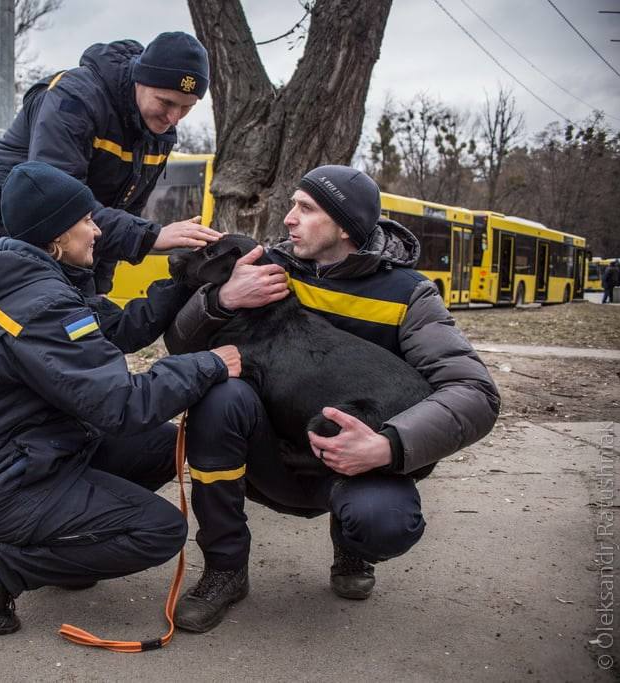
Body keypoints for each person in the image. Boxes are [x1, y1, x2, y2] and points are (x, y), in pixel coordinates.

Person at [164, 165, 501, 633]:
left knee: (385, 522)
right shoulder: (267, 267)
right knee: (217, 394)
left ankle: (353, 547)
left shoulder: (410, 294)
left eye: (306, 208)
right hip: (271, 454)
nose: (288, 218)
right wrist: (221, 301)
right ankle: (226, 568)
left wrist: (388, 445)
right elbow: (180, 348)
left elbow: (475, 393)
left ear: (344, 226)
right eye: (292, 205)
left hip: (358, 463)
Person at [0, 161, 241, 636]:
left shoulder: (32, 280)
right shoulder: (39, 305)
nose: (97, 230)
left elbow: (120, 328)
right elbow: (122, 405)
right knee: (159, 531)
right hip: (3, 482)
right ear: (56, 235)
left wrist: (184, 280)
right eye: (86, 220)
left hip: (31, 452)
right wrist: (209, 364)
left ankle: (68, 549)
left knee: (165, 447)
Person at [0, 31, 223, 294]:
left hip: (72, 225)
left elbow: (124, 210)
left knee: (85, 305)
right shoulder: (73, 100)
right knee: (28, 305)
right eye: (166, 102)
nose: (174, 118)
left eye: (187, 107)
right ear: (140, 80)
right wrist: (150, 236)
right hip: (8, 218)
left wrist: (100, 287)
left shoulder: (160, 134)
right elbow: (55, 204)